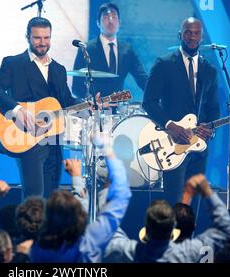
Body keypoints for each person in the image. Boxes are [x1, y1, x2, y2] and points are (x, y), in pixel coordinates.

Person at [0, 17, 80, 198]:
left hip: (53, 139)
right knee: (34, 197)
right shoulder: (13, 63)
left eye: (46, 38)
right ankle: (29, 227)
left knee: (50, 196)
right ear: (28, 37)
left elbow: (66, 101)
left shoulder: (58, 69)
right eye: (37, 38)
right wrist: (17, 110)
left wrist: (91, 103)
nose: (42, 43)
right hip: (26, 138)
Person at [142, 17, 220, 205]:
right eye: (188, 32)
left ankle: (189, 235)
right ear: (180, 35)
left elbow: (214, 108)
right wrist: (170, 126)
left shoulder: (209, 70)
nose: (192, 37)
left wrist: (210, 128)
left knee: (193, 204)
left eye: (196, 33)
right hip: (174, 144)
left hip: (199, 147)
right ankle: (171, 235)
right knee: (175, 203)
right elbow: (149, 102)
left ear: (201, 37)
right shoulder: (164, 64)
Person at [71, 2, 147, 102]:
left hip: (119, 108)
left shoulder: (127, 50)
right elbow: (76, 87)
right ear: (98, 23)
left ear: (119, 22)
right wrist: (89, 102)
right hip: (94, 110)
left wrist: (158, 93)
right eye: (106, 17)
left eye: (114, 17)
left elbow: (142, 79)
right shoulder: (86, 49)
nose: (111, 21)